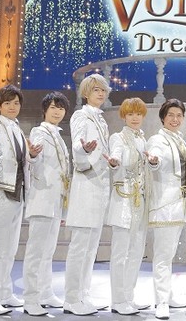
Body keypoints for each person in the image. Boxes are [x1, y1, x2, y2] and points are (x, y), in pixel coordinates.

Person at [0, 85, 42, 315]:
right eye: (7, 103)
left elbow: (23, 162)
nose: (13, 107)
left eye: (16, 103)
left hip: (18, 192)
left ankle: (4, 292)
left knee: (10, 247)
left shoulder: (17, 128)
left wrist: (32, 154)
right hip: (1, 191)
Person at [63, 73, 112, 316]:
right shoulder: (81, 115)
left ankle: (83, 294)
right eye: (95, 90)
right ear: (86, 93)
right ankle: (72, 298)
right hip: (86, 184)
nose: (100, 94)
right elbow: (77, 143)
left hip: (100, 185)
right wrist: (83, 150)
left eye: (103, 90)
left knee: (91, 247)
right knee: (80, 245)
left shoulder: (101, 119)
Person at [22, 91, 70, 316]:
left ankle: (45, 292)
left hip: (56, 201)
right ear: (44, 110)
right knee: (36, 251)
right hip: (42, 199)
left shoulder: (58, 135)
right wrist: (32, 154)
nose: (57, 112)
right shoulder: (39, 132)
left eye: (60, 108)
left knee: (48, 251)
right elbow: (35, 158)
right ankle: (30, 298)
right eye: (53, 107)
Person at [145, 99, 186, 320]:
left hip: (179, 204)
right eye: (171, 115)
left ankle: (168, 295)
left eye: (179, 115)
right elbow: (154, 159)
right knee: (163, 256)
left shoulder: (180, 139)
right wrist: (154, 161)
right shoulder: (157, 139)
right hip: (164, 205)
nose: (175, 119)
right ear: (163, 117)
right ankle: (161, 301)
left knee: (170, 253)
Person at [104, 98, 151, 315]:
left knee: (136, 252)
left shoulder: (143, 138)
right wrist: (114, 161)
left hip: (140, 200)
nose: (135, 118)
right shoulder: (118, 137)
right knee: (120, 253)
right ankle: (118, 300)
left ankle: (129, 297)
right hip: (123, 199)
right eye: (130, 114)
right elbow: (116, 154)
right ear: (124, 116)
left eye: (138, 114)